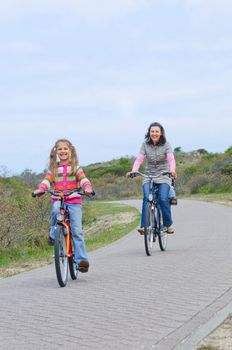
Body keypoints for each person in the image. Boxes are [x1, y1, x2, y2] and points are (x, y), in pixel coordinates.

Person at [33, 138, 93, 273]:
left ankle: (81, 261)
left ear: (70, 151)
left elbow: (83, 180)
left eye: (65, 148)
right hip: (59, 200)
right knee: (55, 210)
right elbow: (47, 181)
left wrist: (87, 187)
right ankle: (53, 234)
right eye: (60, 149)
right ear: (56, 152)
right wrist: (41, 189)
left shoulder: (76, 167)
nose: (63, 151)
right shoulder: (53, 169)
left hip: (74, 202)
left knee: (77, 231)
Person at [126, 122, 177, 235]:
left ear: (161, 133)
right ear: (149, 133)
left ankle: (168, 225)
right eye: (152, 131)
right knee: (146, 198)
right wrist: (134, 171)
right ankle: (144, 226)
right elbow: (139, 159)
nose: (154, 133)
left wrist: (172, 170)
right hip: (148, 175)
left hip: (164, 174)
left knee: (163, 199)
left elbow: (171, 159)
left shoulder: (166, 144)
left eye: (156, 131)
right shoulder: (145, 144)